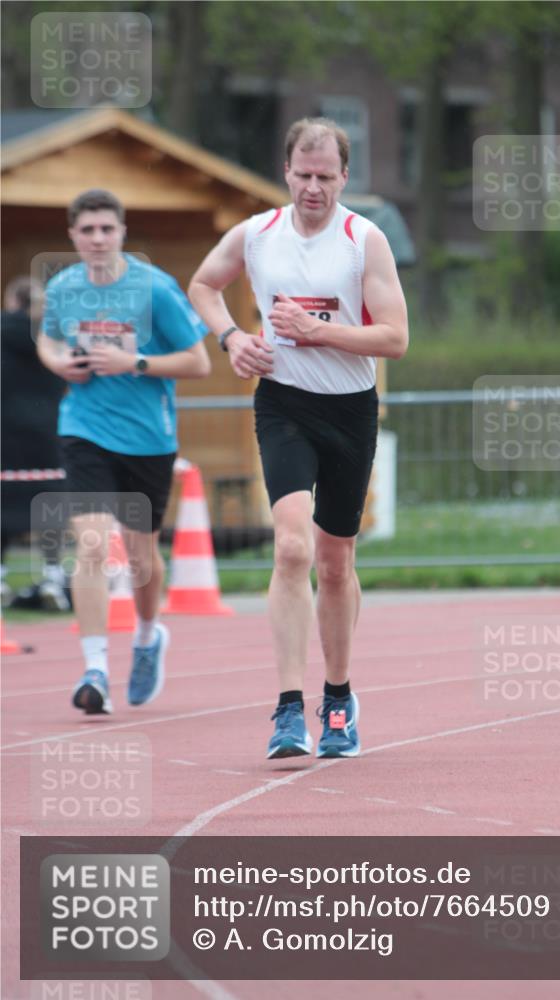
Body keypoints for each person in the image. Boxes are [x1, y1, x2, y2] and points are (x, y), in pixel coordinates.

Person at [189, 117, 408, 759]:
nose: (314, 188)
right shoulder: (256, 235)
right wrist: (232, 338)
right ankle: (288, 711)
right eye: (303, 175)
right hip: (282, 405)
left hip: (349, 411)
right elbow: (203, 285)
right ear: (287, 171)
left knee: (335, 561)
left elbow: (395, 337)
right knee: (291, 549)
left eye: (326, 176)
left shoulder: (362, 240)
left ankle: (337, 698)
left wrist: (321, 332)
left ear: (345, 176)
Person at [37, 189, 210, 715]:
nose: (96, 239)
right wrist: (60, 362)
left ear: (121, 233)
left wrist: (133, 363)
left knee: (140, 558)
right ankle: (94, 669)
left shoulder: (154, 289)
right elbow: (47, 339)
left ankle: (147, 636)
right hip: (83, 427)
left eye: (106, 230)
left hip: (148, 438)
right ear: (72, 235)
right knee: (91, 544)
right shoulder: (64, 287)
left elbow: (198, 362)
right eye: (86, 230)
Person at [1, 275, 70, 611]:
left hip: (5, 434)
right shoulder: (54, 337)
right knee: (51, 508)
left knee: (3, 507)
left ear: (12, 302)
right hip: (49, 431)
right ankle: (53, 575)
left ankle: (0, 576)